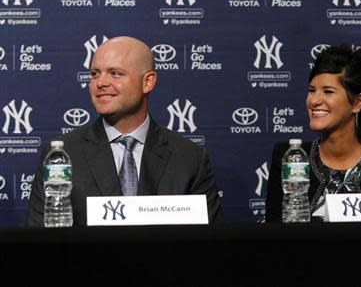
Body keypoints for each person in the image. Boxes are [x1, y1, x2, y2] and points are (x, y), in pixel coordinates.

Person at [27, 36, 223, 226]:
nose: (100, 83)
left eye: (115, 73)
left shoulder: (190, 158)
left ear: (147, 82)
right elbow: (41, 241)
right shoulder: (63, 155)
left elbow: (209, 244)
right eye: (95, 73)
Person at [265, 45, 361, 222]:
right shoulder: (292, 158)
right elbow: (273, 234)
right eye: (311, 90)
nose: (314, 100)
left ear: (358, 103)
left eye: (328, 91)